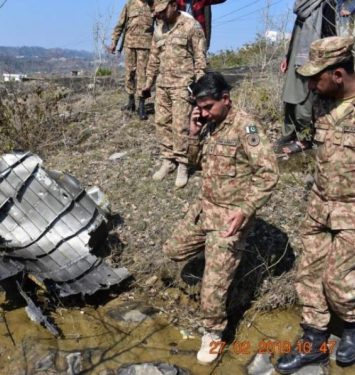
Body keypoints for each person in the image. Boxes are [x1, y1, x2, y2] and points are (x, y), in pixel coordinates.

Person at [163, 72, 278, 364]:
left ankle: (213, 332)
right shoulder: (210, 125)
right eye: (199, 107)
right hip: (205, 208)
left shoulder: (246, 127)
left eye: (208, 107)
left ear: (225, 99)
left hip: (230, 217)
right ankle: (219, 263)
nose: (203, 112)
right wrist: (193, 132)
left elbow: (268, 173)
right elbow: (195, 163)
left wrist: (246, 209)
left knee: (212, 288)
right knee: (173, 251)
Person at [275, 36, 355, 374]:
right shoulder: (323, 102)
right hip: (320, 204)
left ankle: (351, 326)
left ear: (338, 74)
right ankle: (315, 340)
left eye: (315, 77)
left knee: (338, 280)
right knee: (308, 275)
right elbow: (316, 136)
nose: (309, 85)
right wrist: (297, 147)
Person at [143, 0, 206, 189]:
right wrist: (148, 84)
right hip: (163, 85)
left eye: (162, 11)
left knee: (180, 126)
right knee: (162, 123)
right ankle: (168, 159)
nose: (159, 15)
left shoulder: (191, 26)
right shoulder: (159, 28)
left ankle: (182, 164)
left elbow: (200, 58)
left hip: (182, 85)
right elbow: (154, 58)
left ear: (173, 4)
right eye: (156, 12)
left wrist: (199, 86)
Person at [275, 0, 336, 154]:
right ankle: (288, 134)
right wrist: (288, 57)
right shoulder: (302, 6)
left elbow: (330, 34)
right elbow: (297, 32)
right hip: (297, 54)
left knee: (304, 99)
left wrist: (323, 63)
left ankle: (304, 139)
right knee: (290, 95)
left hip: (311, 59)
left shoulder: (325, 4)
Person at [110, 0, 156, 121]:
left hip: (145, 46)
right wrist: (114, 42)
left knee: (142, 75)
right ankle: (131, 101)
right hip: (129, 44)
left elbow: (161, 24)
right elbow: (120, 25)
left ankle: (141, 105)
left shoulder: (153, 5)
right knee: (130, 72)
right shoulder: (129, 5)